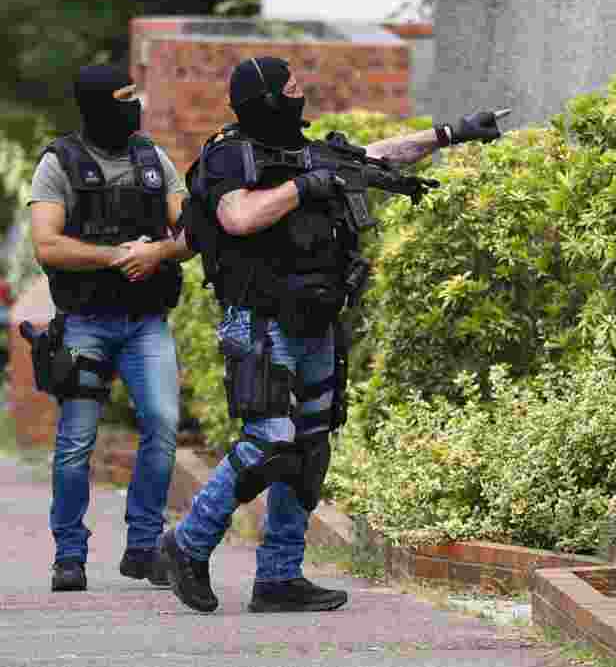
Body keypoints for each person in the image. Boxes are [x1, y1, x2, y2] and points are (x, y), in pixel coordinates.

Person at [161, 56, 502, 614]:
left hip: (315, 320)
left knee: (308, 450)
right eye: (291, 88)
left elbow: (376, 156)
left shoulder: (307, 151)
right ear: (267, 98)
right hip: (260, 321)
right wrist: (304, 188)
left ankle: (278, 579)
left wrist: (452, 133)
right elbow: (237, 218)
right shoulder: (228, 155)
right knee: (269, 440)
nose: (302, 94)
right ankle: (188, 543)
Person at [27, 64, 195, 592]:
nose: (134, 106)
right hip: (84, 325)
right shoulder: (59, 162)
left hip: (147, 323)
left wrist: (159, 252)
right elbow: (47, 244)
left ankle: (143, 548)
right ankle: (69, 556)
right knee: (76, 443)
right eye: (124, 97)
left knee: (164, 426)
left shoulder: (153, 158)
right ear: (97, 104)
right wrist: (115, 257)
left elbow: (190, 229)